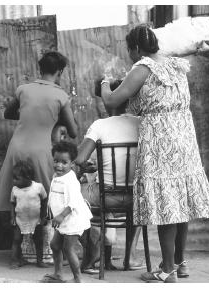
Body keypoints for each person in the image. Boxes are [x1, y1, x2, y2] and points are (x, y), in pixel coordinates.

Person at [100, 24, 209, 283]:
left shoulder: (142, 68)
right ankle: (179, 262)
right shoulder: (175, 64)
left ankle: (167, 270)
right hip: (184, 135)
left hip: (160, 136)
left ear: (137, 48)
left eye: (129, 50)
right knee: (180, 202)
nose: (130, 55)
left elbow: (111, 101)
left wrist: (104, 85)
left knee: (167, 204)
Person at [0, 51, 78, 258]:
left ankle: (23, 248)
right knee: (46, 198)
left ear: (40, 69)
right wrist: (54, 120)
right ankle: (44, 250)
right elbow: (73, 132)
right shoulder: (60, 96)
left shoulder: (23, 90)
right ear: (60, 71)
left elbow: (8, 113)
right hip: (41, 150)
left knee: (19, 198)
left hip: (17, 147)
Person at [75, 79, 144, 274]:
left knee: (75, 196)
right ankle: (129, 257)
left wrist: (91, 168)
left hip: (105, 196)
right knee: (139, 201)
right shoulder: (140, 123)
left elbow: (80, 159)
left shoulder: (99, 125)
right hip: (135, 198)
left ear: (108, 101)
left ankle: (92, 253)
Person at [40, 141, 92, 283]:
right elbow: (53, 197)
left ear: (72, 163)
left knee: (67, 249)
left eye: (64, 162)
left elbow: (73, 202)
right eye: (56, 161)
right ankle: (58, 274)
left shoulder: (71, 180)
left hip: (72, 219)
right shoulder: (56, 176)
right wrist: (50, 214)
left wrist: (61, 216)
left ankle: (78, 279)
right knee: (55, 245)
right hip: (62, 219)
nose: (59, 165)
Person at [9, 160, 49, 269]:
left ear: (27, 177)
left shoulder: (38, 187)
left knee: (38, 240)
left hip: (36, 220)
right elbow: (12, 204)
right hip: (20, 219)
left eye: (17, 178)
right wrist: (12, 217)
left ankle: (39, 261)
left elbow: (45, 200)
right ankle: (15, 260)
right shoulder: (15, 190)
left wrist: (43, 216)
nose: (14, 181)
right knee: (16, 240)